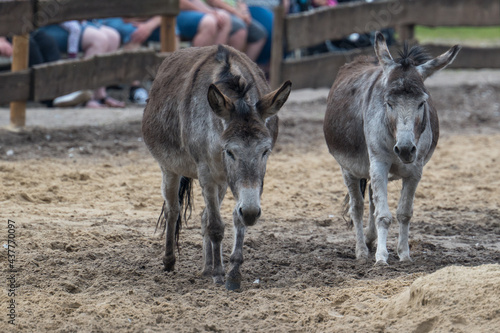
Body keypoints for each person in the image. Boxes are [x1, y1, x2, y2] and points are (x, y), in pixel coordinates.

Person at [40, 21, 126, 108]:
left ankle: (100, 95)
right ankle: (85, 97)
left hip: (79, 22)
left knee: (113, 37)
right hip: (53, 24)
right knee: (98, 39)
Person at [0, 31, 92, 107]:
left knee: (46, 41)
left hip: (13, 30)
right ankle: (50, 98)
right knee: (28, 44)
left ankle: (63, 88)